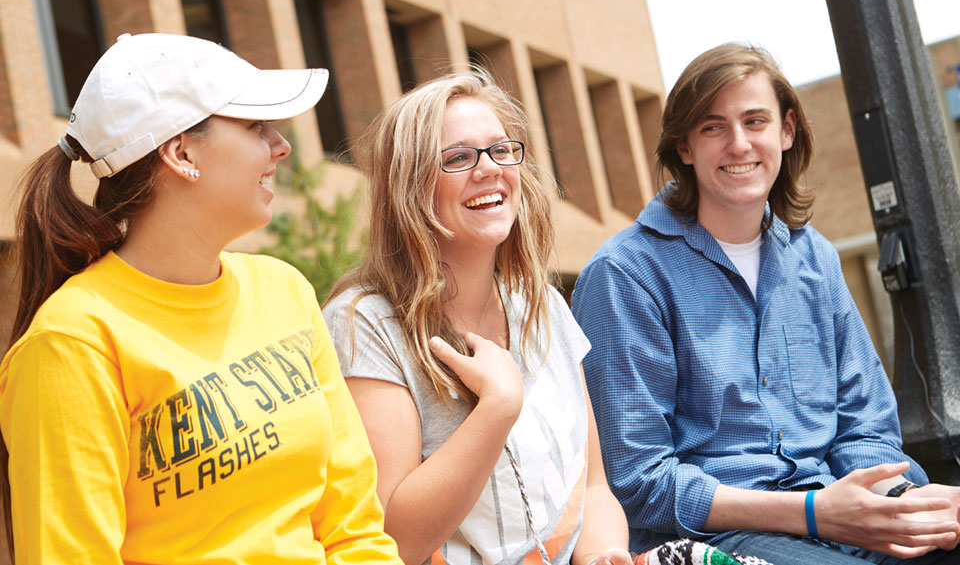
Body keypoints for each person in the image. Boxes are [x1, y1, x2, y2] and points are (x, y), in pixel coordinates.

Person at [0, 32, 402, 565]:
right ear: (181, 152)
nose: (281, 146)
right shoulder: (72, 342)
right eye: (256, 126)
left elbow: (355, 525)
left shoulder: (284, 290)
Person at [570, 42, 960, 565]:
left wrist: (899, 500)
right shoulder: (625, 275)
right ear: (683, 147)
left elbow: (866, 426)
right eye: (713, 127)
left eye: (755, 121)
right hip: (724, 540)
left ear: (787, 130)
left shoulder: (814, 258)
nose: (738, 144)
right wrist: (813, 513)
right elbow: (638, 481)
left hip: (845, 517)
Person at [322, 70, 634, 565]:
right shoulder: (364, 326)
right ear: (411, 187)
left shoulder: (543, 305)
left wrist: (606, 556)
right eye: (458, 157)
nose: (489, 169)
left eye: (501, 150)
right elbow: (392, 541)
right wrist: (496, 409)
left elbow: (593, 486)